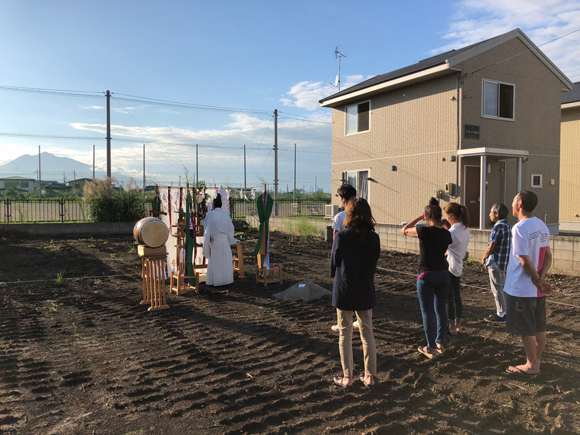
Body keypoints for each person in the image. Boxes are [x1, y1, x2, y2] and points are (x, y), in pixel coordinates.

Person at [330, 197, 380, 387]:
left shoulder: (341, 237)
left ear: (348, 214)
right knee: (367, 333)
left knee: (345, 333)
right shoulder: (374, 237)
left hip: (344, 290)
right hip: (365, 289)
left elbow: (333, 264)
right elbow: (375, 260)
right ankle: (369, 376)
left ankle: (347, 377)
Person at [504, 191, 552, 376]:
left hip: (522, 288)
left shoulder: (519, 228)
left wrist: (537, 280)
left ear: (520, 203)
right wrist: (541, 277)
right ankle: (536, 361)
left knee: (526, 329)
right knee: (540, 326)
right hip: (537, 290)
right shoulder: (542, 225)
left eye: (514, 201)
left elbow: (523, 260)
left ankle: (531, 365)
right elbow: (548, 256)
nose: (512, 204)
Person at [402, 200, 452, 359]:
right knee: (441, 309)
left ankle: (430, 348)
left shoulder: (424, 231)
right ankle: (440, 343)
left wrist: (418, 218)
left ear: (426, 217)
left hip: (427, 274)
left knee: (428, 312)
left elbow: (404, 230)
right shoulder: (446, 233)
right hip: (443, 273)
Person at [331, 183, 359, 332]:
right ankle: (357, 319)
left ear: (343, 199)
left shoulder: (339, 217)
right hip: (360, 259)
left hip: (344, 261)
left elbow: (336, 242)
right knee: (358, 288)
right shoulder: (362, 215)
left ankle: (343, 323)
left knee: (343, 291)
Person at [442, 202, 470, 336]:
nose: (446, 218)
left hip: (450, 265)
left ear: (452, 216)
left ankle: (451, 324)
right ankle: (458, 323)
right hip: (458, 264)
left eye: (447, 216)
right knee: (456, 296)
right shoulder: (465, 228)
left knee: (449, 297)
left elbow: (443, 245)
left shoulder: (452, 232)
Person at [481, 203, 512, 324]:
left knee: (497, 289)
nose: (489, 215)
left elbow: (491, 246)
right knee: (502, 287)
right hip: (504, 262)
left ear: (497, 214)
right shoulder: (508, 226)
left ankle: (501, 314)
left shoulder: (498, 227)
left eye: (491, 212)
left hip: (495, 261)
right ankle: (505, 312)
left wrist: (484, 257)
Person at [202, 194, 238, 286]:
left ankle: (215, 281)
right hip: (225, 241)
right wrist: (230, 239)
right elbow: (231, 229)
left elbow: (206, 229)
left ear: (213, 205)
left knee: (216, 261)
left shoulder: (210, 215)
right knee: (224, 260)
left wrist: (207, 239)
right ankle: (226, 280)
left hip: (215, 241)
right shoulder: (226, 215)